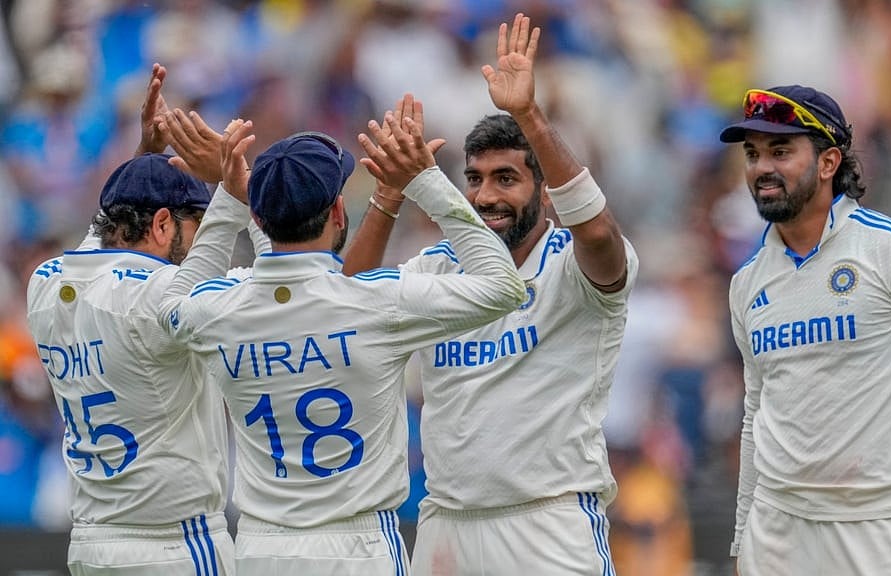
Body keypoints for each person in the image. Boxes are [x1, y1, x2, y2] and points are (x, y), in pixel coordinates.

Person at [156, 104, 526, 575]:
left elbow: (170, 306)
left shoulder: (219, 308)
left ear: (260, 220)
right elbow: (504, 287)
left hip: (260, 549)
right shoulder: (378, 300)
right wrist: (423, 179)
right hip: (360, 548)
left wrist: (231, 197)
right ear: (336, 212)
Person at [344, 13, 638, 575]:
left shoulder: (572, 265)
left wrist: (528, 114)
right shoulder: (438, 266)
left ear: (545, 192)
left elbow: (601, 237)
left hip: (548, 523)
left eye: (506, 178)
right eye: (474, 179)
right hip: (446, 524)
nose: (484, 197)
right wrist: (388, 195)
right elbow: (344, 307)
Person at [719, 84, 891, 575]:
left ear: (829, 162)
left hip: (884, 526)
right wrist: (743, 537)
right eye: (753, 154)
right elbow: (755, 413)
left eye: (780, 152)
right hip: (779, 532)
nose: (761, 168)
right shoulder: (747, 282)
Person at [25, 63, 250, 575]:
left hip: (90, 544)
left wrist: (144, 158)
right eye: (193, 224)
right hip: (175, 546)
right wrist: (234, 186)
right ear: (164, 223)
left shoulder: (45, 283)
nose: (197, 239)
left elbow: (103, 235)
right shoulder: (158, 297)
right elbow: (206, 262)